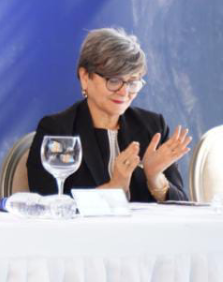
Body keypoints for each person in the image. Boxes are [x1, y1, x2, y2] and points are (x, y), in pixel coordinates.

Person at [26, 28, 190, 201]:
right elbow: (50, 206)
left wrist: (155, 177)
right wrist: (114, 187)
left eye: (132, 82)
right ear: (85, 77)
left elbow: (181, 208)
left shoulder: (153, 127)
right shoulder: (58, 130)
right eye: (114, 80)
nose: (124, 92)